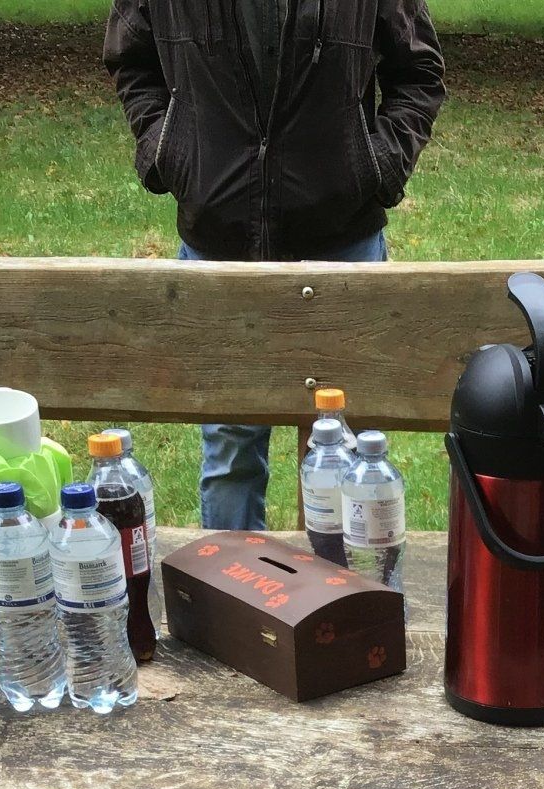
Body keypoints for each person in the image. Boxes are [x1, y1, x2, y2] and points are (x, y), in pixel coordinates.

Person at [104, 0, 446, 530]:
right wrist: (167, 150)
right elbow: (131, 58)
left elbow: (418, 72)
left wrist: (376, 166)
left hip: (340, 242)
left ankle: (340, 584)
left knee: (342, 452)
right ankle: (232, 583)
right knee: (231, 455)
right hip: (221, 245)